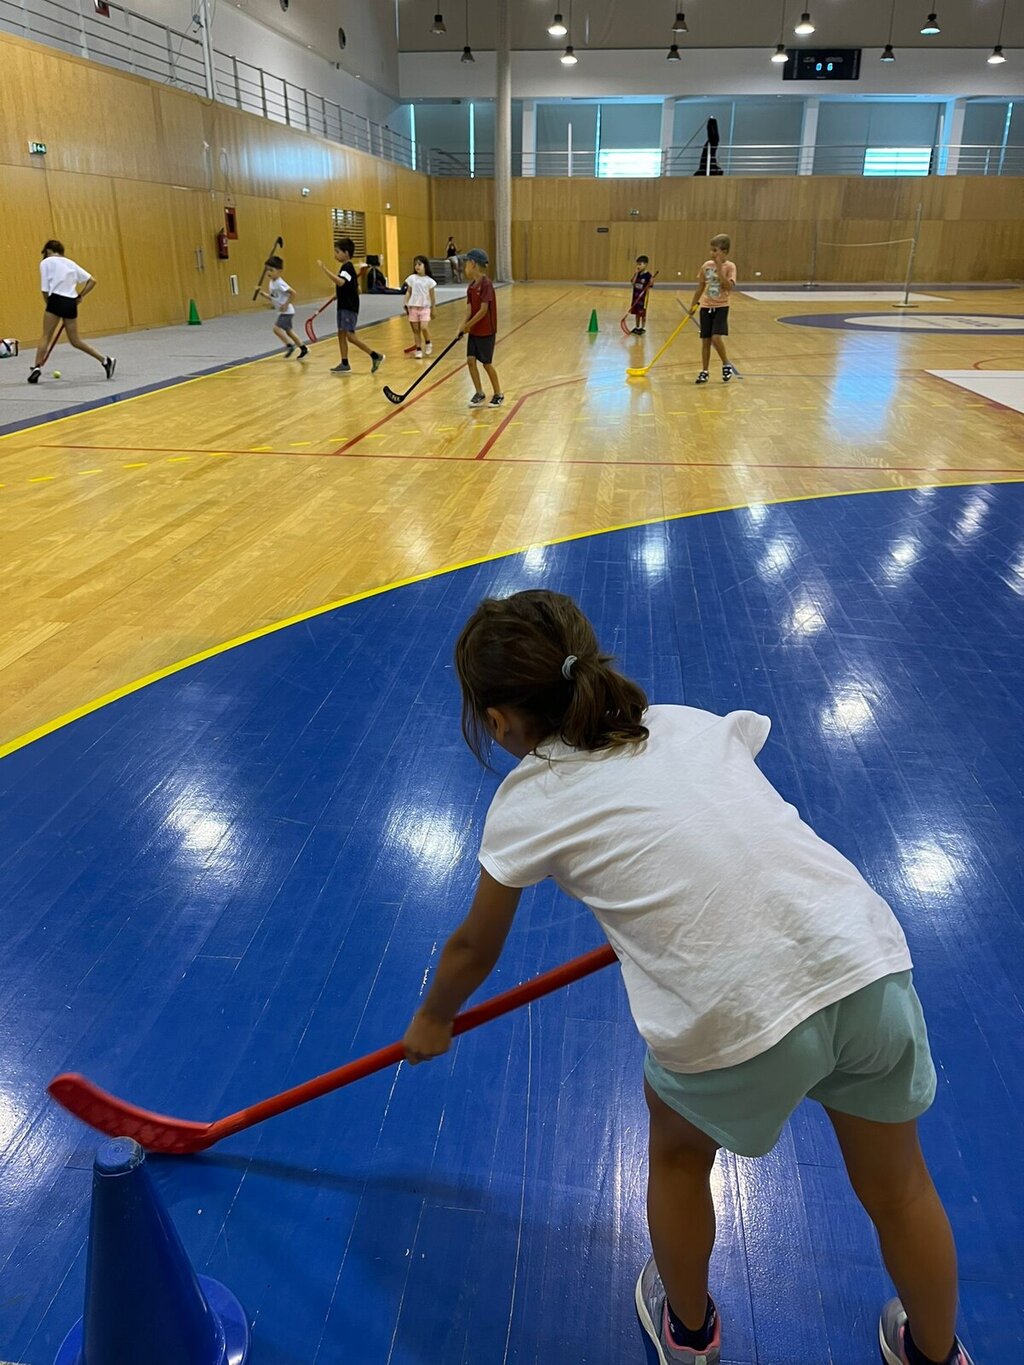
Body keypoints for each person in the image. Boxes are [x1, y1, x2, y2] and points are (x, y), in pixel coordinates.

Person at [402, 588, 975, 1365]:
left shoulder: (528, 797)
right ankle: (934, 1354)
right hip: (863, 959)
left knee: (678, 1155)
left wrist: (434, 1017)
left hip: (739, 1016)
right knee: (902, 1188)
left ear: (500, 720)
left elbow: (474, 946)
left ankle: (691, 1332)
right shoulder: (685, 720)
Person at [28, 240, 115, 384]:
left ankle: (36, 368)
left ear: (48, 250)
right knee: (75, 340)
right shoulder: (71, 263)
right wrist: (80, 296)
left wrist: (49, 305)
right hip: (70, 302)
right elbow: (92, 281)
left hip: (55, 299)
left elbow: (44, 289)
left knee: (46, 336)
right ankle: (105, 360)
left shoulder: (46, 262)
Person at [317, 237, 384, 375]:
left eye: (337, 252)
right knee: (341, 334)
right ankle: (344, 363)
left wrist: (325, 270)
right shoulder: (346, 268)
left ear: (346, 253)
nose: (335, 255)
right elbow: (353, 287)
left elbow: (341, 282)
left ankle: (375, 356)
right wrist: (338, 295)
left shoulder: (347, 266)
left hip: (349, 307)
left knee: (350, 336)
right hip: (343, 305)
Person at [687, 233, 736, 385]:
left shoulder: (730, 267)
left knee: (716, 337)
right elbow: (701, 286)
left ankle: (726, 363)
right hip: (706, 306)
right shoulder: (706, 266)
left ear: (725, 252)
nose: (712, 253)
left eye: (716, 250)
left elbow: (728, 286)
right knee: (705, 340)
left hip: (721, 306)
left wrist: (720, 268)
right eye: (712, 250)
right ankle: (705, 371)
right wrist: (694, 304)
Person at [461, 248, 502, 408]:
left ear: (473, 264)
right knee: (470, 361)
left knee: (486, 363)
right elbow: (469, 309)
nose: (465, 266)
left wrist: (468, 325)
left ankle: (498, 393)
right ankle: (479, 392)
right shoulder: (471, 286)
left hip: (486, 331)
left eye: (466, 263)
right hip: (474, 331)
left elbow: (483, 310)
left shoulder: (487, 285)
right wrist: (462, 326)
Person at [258, 256, 307, 359]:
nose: (269, 272)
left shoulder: (280, 283)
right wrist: (262, 294)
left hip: (287, 312)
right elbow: (273, 298)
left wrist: (286, 304)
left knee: (276, 329)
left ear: (279, 271)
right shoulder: (272, 282)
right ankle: (303, 348)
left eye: (272, 270)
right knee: (289, 332)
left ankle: (289, 346)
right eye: (268, 270)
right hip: (283, 312)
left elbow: (293, 293)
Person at [403, 255, 437, 359]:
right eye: (415, 264)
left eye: (419, 264)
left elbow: (432, 296)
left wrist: (433, 308)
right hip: (413, 307)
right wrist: (406, 302)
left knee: (424, 327)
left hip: (425, 307)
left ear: (425, 266)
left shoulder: (429, 281)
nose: (417, 266)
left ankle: (428, 342)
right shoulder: (412, 278)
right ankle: (418, 349)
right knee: (416, 330)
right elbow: (409, 291)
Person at [629, 255, 655, 334]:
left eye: (640, 264)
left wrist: (651, 281)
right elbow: (633, 282)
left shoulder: (648, 275)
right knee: (636, 312)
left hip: (643, 297)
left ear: (645, 264)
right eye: (638, 264)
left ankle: (642, 327)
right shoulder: (637, 274)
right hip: (636, 296)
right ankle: (637, 327)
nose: (638, 266)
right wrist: (636, 273)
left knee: (642, 313)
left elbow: (651, 285)